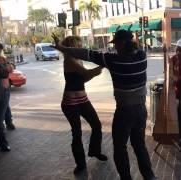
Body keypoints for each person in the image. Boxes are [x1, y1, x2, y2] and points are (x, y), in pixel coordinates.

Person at [52, 30, 156, 180]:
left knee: (120, 148)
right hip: (141, 110)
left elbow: (86, 53)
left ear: (121, 43)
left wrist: (61, 48)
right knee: (139, 145)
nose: (115, 47)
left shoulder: (112, 60)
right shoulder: (142, 56)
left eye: (116, 44)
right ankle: (150, 176)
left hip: (124, 112)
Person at [59, 36, 107, 175]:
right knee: (77, 132)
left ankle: (94, 151)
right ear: (72, 46)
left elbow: (84, 78)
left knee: (96, 125)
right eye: (78, 44)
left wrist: (96, 71)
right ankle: (80, 164)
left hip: (83, 99)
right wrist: (104, 64)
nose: (81, 45)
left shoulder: (77, 59)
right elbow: (87, 73)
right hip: (70, 103)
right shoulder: (70, 60)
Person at [0, 42, 15, 130]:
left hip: (4, 87)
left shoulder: (2, 59)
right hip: (0, 88)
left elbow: (10, 68)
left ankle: (8, 122)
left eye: (0, 50)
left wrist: (8, 67)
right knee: (4, 106)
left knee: (5, 106)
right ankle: (7, 123)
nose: (0, 51)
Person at [0, 42, 11, 152]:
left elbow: (6, 71)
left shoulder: (0, 60)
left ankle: (3, 145)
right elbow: (5, 72)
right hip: (0, 92)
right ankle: (2, 145)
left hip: (1, 92)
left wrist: (3, 68)